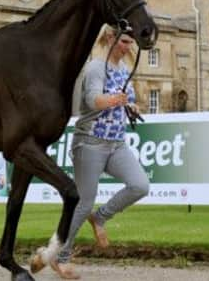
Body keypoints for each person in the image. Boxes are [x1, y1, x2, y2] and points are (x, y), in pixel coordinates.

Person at [53, 25, 149, 279]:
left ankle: (101, 217)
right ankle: (60, 257)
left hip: (116, 144)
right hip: (90, 143)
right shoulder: (96, 67)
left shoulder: (124, 69)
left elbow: (124, 100)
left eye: (131, 42)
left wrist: (132, 106)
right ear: (110, 37)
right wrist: (115, 99)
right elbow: (93, 100)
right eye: (124, 41)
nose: (128, 46)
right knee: (83, 203)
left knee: (140, 185)